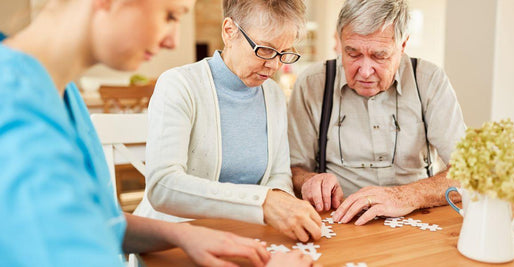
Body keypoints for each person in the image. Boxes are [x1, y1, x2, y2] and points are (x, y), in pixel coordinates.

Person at [0, 0, 313, 266]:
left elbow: (97, 222)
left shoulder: (60, 93)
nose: (173, 42)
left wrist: (182, 234)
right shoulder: (17, 111)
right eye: (170, 15)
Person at [134, 0, 322, 243]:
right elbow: (163, 187)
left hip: (248, 237)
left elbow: (279, 175)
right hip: (173, 240)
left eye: (284, 53)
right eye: (265, 50)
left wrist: (279, 200)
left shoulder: (273, 94)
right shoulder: (179, 85)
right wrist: (262, 202)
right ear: (229, 31)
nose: (274, 65)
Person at [288, 0, 465, 226]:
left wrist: (405, 197)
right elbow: (291, 169)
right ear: (339, 41)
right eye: (352, 54)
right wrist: (308, 181)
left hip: (420, 218)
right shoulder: (312, 83)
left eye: (379, 56)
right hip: (340, 222)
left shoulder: (429, 80)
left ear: (402, 46)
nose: (364, 71)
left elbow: (469, 173)